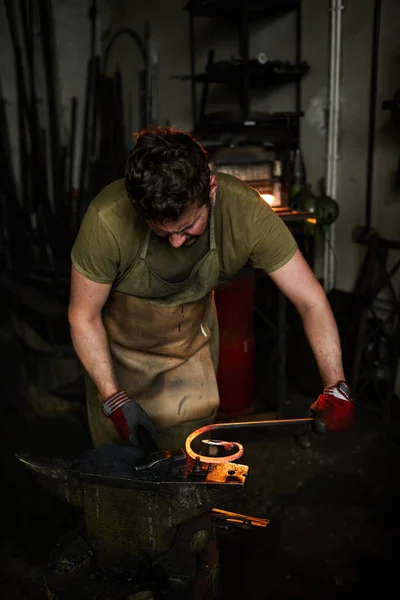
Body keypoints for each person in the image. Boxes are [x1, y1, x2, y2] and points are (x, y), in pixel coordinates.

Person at [68, 126, 354, 452]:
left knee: (189, 465)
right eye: (162, 231)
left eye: (188, 228)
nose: (176, 242)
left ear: (211, 190)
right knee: (116, 475)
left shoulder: (245, 213)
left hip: (188, 354)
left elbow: (310, 300)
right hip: (114, 360)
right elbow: (83, 315)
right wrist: (112, 397)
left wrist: (336, 386)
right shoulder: (107, 220)